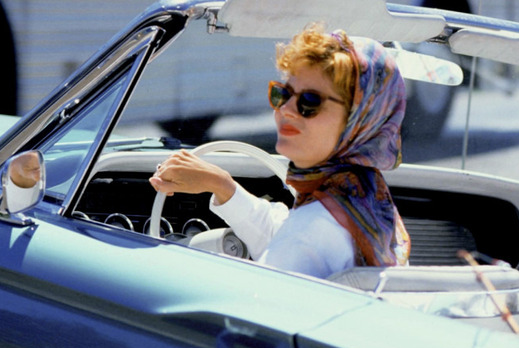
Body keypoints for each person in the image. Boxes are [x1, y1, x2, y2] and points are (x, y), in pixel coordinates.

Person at [149, 24, 410, 279]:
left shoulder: (312, 230)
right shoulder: (365, 196)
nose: (285, 109)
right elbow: (287, 236)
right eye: (283, 94)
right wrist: (222, 185)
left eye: (310, 101)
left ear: (360, 119)